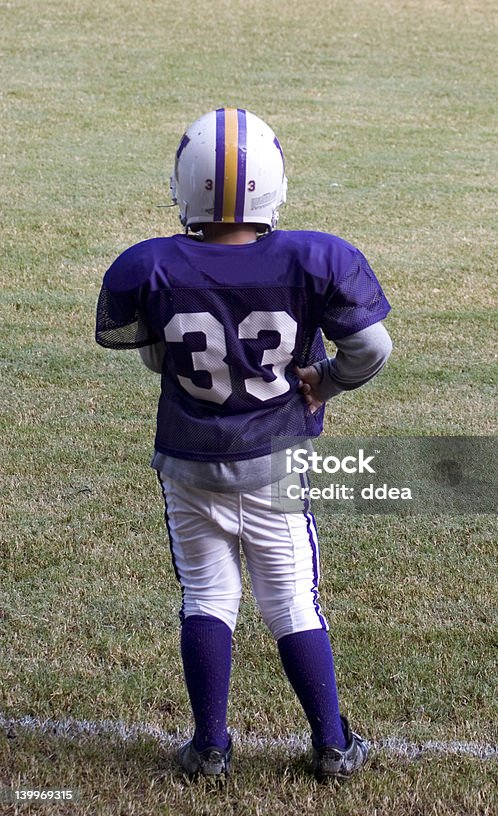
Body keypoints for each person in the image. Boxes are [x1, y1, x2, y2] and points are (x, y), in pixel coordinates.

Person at [95, 107, 392, 781]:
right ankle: (331, 744)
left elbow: (151, 360)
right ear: (274, 183)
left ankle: (209, 746)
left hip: (188, 460)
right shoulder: (315, 257)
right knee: (289, 599)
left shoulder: (149, 265)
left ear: (183, 184)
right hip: (273, 459)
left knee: (205, 594)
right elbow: (371, 348)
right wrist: (326, 380)